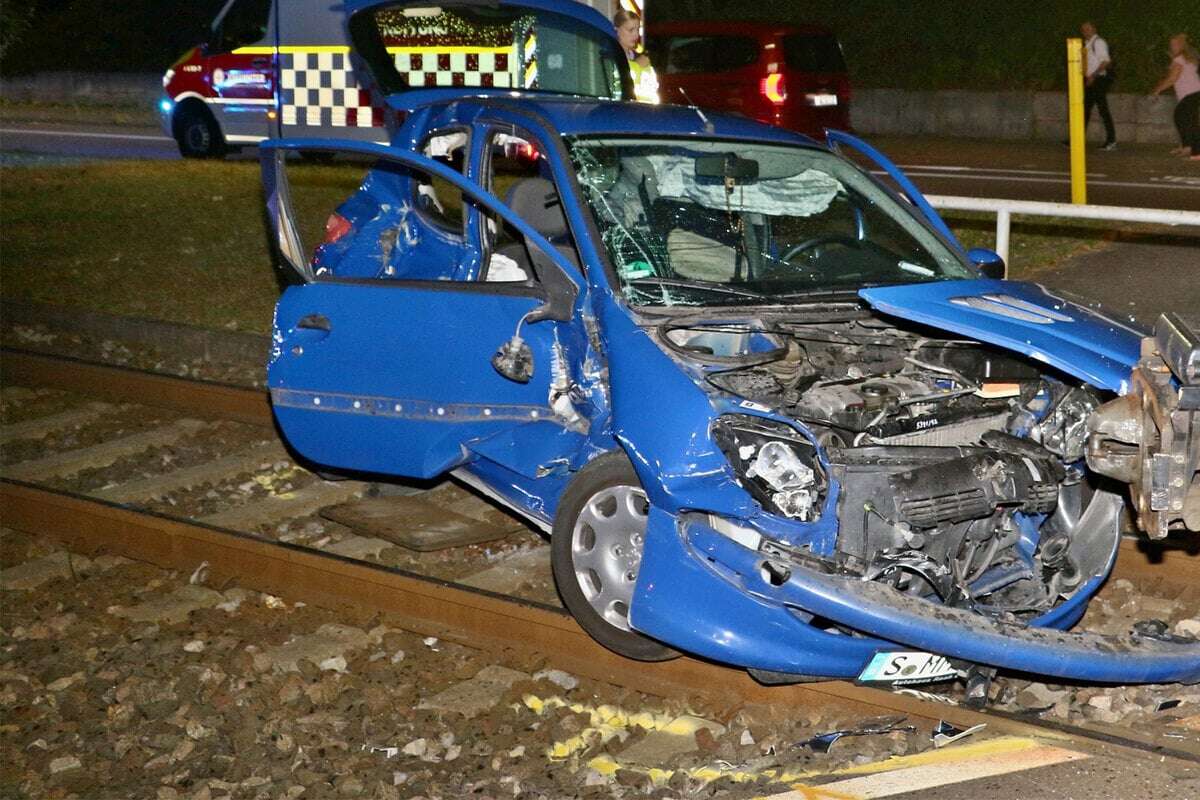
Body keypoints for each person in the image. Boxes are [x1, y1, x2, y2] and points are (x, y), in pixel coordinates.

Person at [1150, 33, 1200, 161]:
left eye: (1175, 44)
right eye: (1171, 44)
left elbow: (1172, 79)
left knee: (1185, 120)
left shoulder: (1180, 59)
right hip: (1193, 93)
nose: (1172, 46)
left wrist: (1157, 90)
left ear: (1181, 45)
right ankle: (1186, 147)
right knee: (1185, 119)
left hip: (1191, 93)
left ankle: (1195, 151)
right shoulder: (1185, 57)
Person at [1081, 21, 1117, 150]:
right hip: (1092, 79)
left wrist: (1093, 76)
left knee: (1102, 109)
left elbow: (1106, 61)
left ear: (1094, 29)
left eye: (1088, 29)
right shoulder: (1088, 43)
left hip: (1098, 79)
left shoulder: (1099, 42)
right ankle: (1077, 139)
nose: (1086, 31)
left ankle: (1111, 140)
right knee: (1085, 109)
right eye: (1083, 29)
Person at [614, 9, 659, 104]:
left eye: (638, 29)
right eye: (631, 30)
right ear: (616, 30)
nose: (636, 35)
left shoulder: (643, 59)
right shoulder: (610, 58)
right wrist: (637, 66)